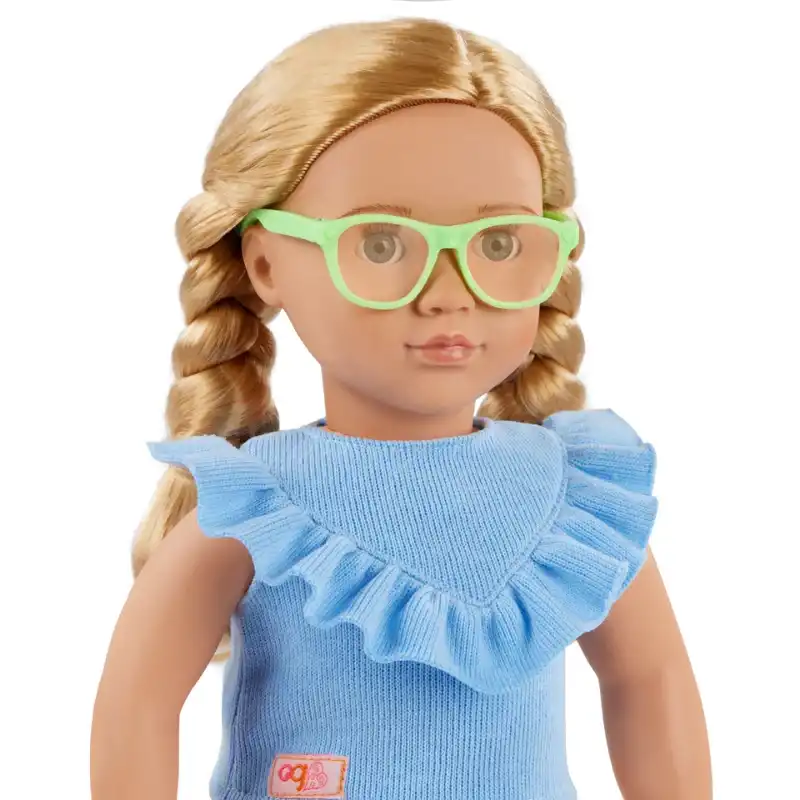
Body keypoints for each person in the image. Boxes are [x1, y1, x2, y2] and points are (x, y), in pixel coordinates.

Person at [90, 17, 711, 800]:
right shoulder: (261, 504)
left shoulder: (574, 497)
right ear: (266, 262)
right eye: (381, 244)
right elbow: (138, 705)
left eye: (496, 244)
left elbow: (649, 682)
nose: (448, 293)